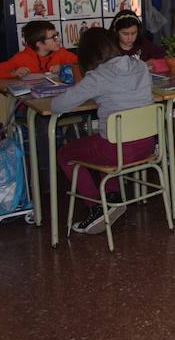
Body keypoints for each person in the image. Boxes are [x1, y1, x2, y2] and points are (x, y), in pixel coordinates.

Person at [52, 28, 154, 235]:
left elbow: (57, 106)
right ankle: (113, 197)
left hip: (117, 149)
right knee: (101, 143)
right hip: (147, 144)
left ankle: (95, 206)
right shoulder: (141, 66)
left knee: (66, 153)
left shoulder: (98, 76)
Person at [0, 20, 77, 78]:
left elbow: (84, 64)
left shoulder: (61, 53)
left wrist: (64, 67)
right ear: (39, 44)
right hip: (30, 101)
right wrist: (13, 73)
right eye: (54, 37)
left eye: (57, 35)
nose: (58, 39)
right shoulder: (22, 57)